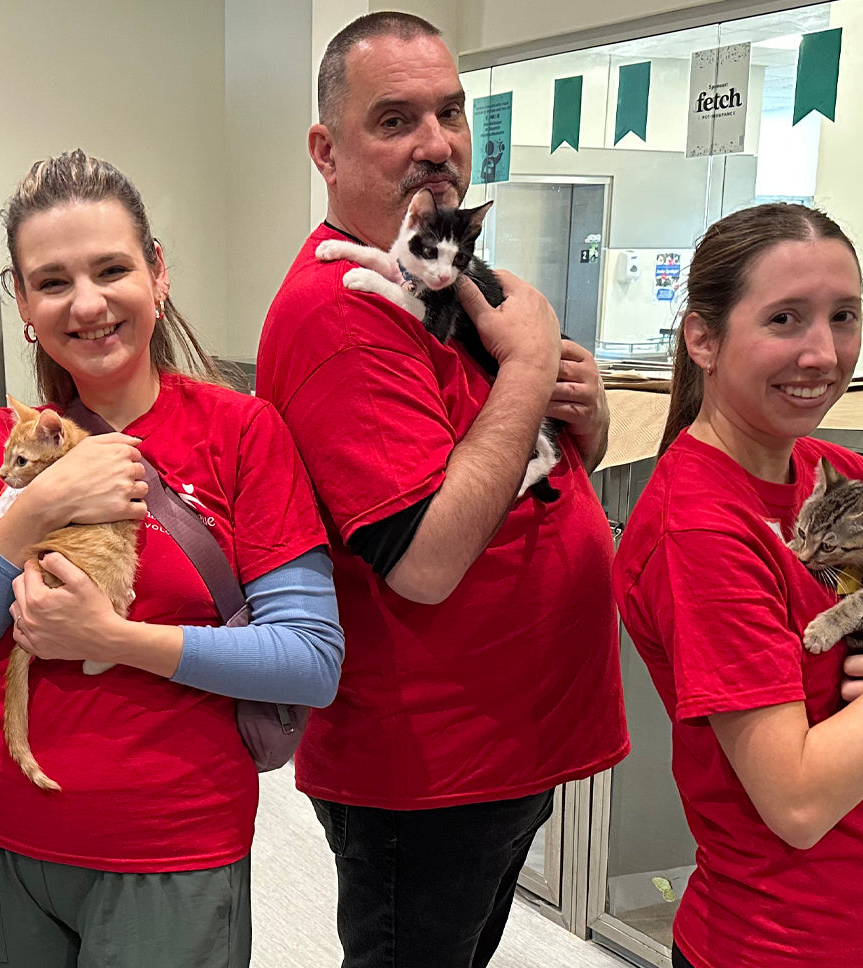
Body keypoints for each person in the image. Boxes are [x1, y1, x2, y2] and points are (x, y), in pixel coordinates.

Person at [253, 13, 628, 968]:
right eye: (395, 119)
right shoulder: (342, 313)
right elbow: (421, 560)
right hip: (426, 767)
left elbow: (536, 460)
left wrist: (577, 411)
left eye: (451, 112)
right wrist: (529, 366)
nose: (437, 144)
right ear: (325, 151)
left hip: (507, 741)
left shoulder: (454, 275)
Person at [0, 149, 343, 968]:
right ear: (22, 302)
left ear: (157, 273)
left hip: (172, 849)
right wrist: (36, 508)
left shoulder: (241, 434)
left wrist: (112, 640)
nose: (86, 304)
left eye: (111, 269)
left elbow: (309, 660)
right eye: (51, 281)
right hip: (4, 838)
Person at [612, 203, 863, 968]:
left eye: (842, 316)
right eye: (785, 319)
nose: (823, 352)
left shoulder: (841, 475)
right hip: (788, 942)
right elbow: (798, 800)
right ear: (704, 338)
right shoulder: (701, 527)